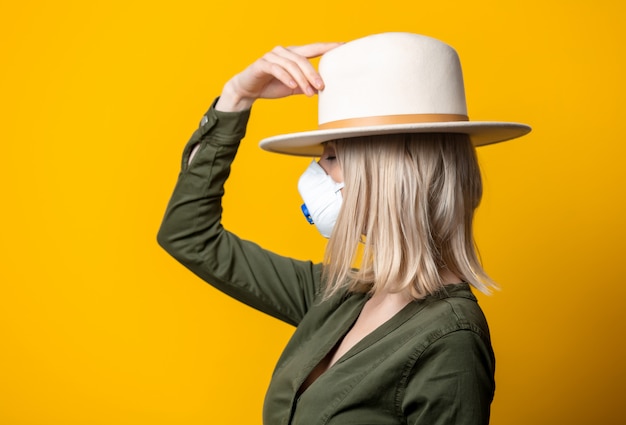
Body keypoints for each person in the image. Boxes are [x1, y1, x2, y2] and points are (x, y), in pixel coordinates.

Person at [157, 32, 530, 425]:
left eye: (331, 157)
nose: (315, 174)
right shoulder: (337, 295)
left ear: (391, 177)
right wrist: (235, 97)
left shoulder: (451, 340)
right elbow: (188, 235)